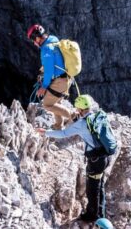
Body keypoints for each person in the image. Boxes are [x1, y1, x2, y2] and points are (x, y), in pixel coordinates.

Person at [37, 94, 111, 223]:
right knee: (99, 186)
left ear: (81, 109)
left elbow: (64, 133)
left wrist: (45, 132)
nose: (76, 111)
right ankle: (101, 213)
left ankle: (92, 216)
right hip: (105, 156)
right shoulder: (97, 116)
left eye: (78, 109)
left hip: (95, 160)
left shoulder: (82, 124)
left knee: (92, 189)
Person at [27, 23, 74, 129]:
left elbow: (49, 71)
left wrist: (43, 87)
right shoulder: (53, 39)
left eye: (33, 40)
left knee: (47, 104)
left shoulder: (46, 50)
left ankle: (74, 116)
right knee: (56, 101)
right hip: (67, 77)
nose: (34, 43)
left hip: (60, 81)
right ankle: (58, 125)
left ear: (38, 38)